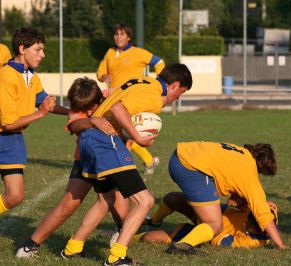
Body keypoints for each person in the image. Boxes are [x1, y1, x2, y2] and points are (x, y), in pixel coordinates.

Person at [16, 63, 192, 263]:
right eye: (180, 93)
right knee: (145, 201)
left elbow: (113, 98)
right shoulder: (153, 97)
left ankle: (73, 248)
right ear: (174, 85)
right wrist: (138, 137)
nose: (178, 98)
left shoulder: (143, 81)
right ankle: (117, 256)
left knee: (105, 200)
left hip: (88, 142)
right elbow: (118, 107)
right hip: (105, 143)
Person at [162, 141, 287, 255]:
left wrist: (239, 200)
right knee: (215, 224)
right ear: (260, 163)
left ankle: (154, 220)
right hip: (190, 167)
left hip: (178, 156)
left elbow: (225, 171)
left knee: (176, 200)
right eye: (260, 172)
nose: (257, 175)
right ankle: (182, 246)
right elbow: (263, 214)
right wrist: (280, 245)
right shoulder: (249, 174)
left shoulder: (239, 151)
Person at [0, 28, 68, 216]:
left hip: (13, 141)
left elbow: (46, 103)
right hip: (5, 133)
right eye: (38, 50)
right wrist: (41, 113)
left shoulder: (31, 76)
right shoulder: (6, 76)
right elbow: (8, 123)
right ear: (22, 48)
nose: (43, 55)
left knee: (15, 196)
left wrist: (75, 112)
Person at [97, 23, 165, 175]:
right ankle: (146, 161)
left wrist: (157, 81)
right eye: (116, 34)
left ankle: (129, 165)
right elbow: (100, 71)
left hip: (130, 100)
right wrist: (103, 76)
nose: (118, 37)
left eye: (122, 34)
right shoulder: (110, 53)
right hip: (113, 99)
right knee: (121, 133)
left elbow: (159, 62)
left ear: (128, 37)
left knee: (125, 132)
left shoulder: (138, 53)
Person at [136, 192, 279, 249]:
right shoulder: (267, 214)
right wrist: (239, 202)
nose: (245, 221)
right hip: (210, 211)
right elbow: (270, 205)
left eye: (247, 225)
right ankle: (153, 221)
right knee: (172, 198)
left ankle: (129, 237)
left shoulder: (253, 241)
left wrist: (210, 227)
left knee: (149, 237)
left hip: (205, 230)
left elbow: (219, 241)